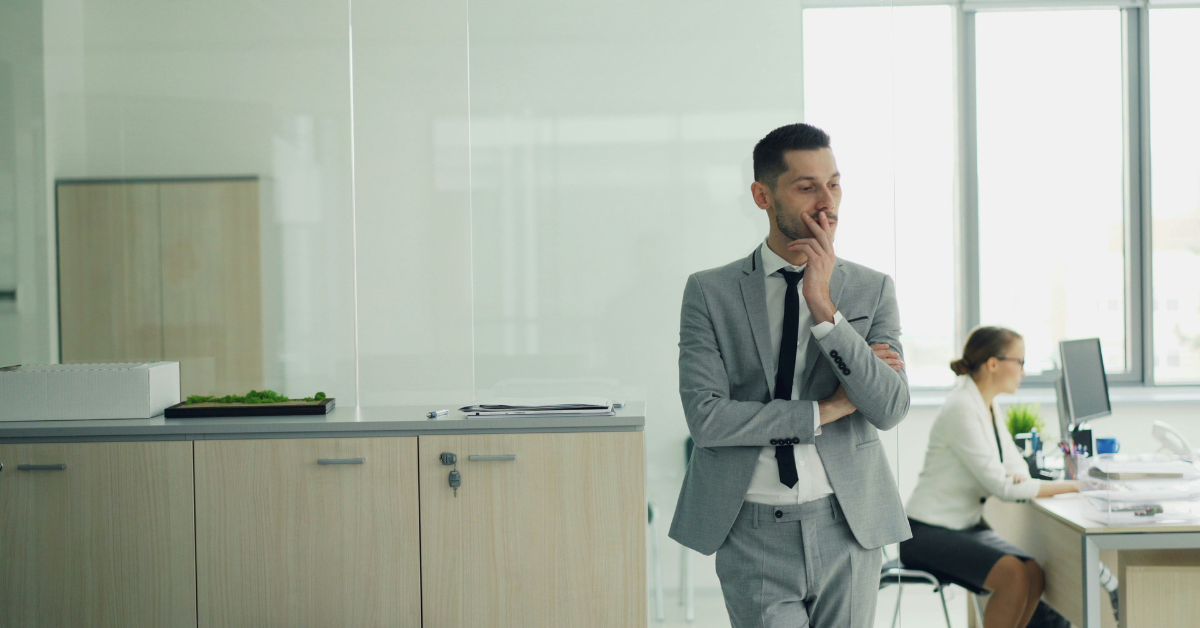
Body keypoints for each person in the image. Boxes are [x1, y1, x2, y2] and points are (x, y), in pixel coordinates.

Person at [669, 123, 912, 628]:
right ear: (763, 195)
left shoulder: (870, 291)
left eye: (835, 183)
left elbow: (889, 408)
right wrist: (827, 410)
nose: (828, 202)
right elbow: (708, 420)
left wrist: (826, 313)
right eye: (807, 187)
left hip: (848, 525)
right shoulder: (710, 293)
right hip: (752, 530)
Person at [902, 326, 1079, 628]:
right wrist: (1077, 486)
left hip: (962, 526)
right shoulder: (961, 408)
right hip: (926, 532)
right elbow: (1003, 487)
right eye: (1020, 361)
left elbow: (1016, 468)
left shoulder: (988, 404)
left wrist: (1016, 478)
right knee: (1013, 576)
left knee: (1034, 575)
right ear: (994, 363)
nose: (1024, 370)